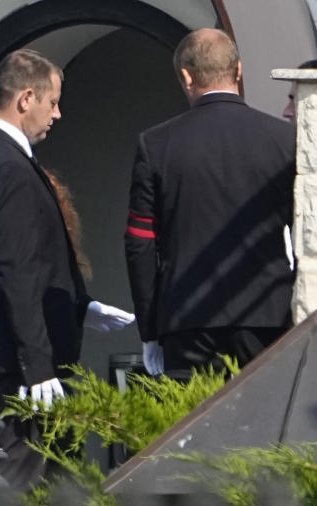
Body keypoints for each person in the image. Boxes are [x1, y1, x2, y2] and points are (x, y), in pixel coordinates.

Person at [0, 49, 134, 490]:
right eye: (53, 102)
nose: (58, 113)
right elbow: (16, 268)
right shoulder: (7, 166)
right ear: (26, 98)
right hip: (15, 369)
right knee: (15, 488)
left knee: (42, 489)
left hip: (1, 360)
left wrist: (77, 304)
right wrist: (38, 366)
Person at [125, 29, 295, 376]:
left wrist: (150, 330)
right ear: (238, 70)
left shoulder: (156, 144)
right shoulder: (284, 140)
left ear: (186, 77)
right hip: (266, 315)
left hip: (187, 318)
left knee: (192, 424)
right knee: (264, 426)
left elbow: (139, 243)